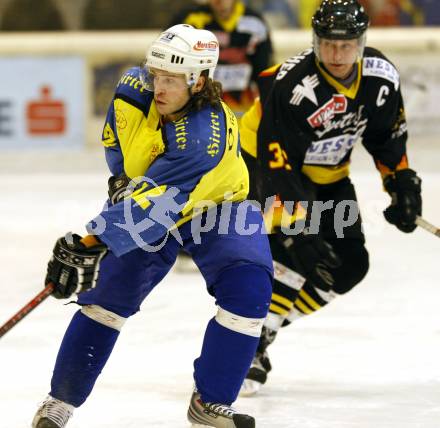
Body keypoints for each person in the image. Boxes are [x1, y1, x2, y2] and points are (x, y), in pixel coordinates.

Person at [31, 24, 273, 427]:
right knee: (106, 301)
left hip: (217, 204)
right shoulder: (131, 88)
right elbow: (116, 142)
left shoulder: (203, 135)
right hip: (154, 197)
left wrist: (90, 241)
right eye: (156, 75)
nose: (158, 88)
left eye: (172, 80)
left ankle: (210, 402)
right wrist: (122, 179)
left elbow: (156, 205)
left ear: (199, 81)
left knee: (249, 287)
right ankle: (60, 401)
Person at [238, 0, 422, 396]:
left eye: (346, 45)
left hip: (327, 172)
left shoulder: (380, 78)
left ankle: (255, 329)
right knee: (292, 257)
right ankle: (247, 343)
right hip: (261, 165)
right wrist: (297, 227)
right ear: (315, 42)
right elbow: (275, 160)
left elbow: (386, 137)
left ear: (361, 43)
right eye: (328, 45)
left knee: (350, 264)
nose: (337, 55)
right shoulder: (291, 85)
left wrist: (401, 184)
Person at [170, 0, 273, 117]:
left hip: (242, 107)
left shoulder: (255, 22)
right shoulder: (188, 20)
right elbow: (170, 64)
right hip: (199, 106)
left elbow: (264, 71)